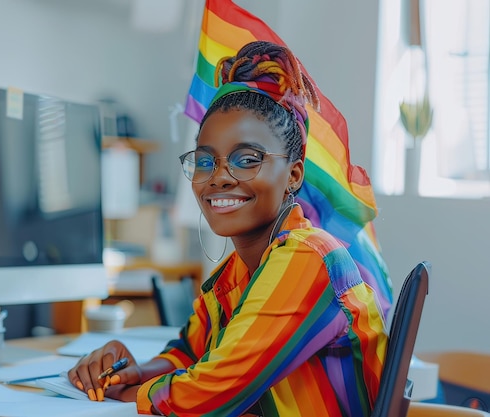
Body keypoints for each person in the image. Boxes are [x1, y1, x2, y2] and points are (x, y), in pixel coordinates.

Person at [66, 40, 388, 417]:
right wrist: (136, 371)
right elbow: (190, 355)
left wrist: (121, 395)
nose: (218, 177)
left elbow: (211, 391)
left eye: (247, 159)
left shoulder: (309, 257)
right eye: (205, 161)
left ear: (293, 175)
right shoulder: (234, 274)